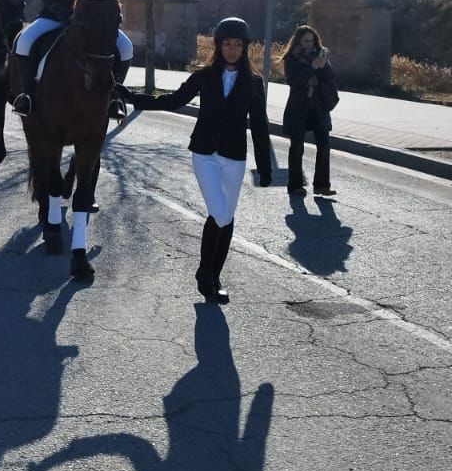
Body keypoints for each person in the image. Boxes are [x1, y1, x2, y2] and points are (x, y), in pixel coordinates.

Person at [125, 17, 272, 304]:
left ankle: (213, 276)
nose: (232, 49)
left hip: (234, 156)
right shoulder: (204, 76)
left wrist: (265, 169)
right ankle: (205, 273)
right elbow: (174, 100)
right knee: (219, 213)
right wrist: (135, 98)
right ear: (218, 46)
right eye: (227, 44)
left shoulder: (254, 83)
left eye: (237, 45)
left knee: (227, 218)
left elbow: (260, 126)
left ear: (245, 48)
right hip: (204, 153)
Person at [281, 24, 338, 198]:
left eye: (312, 40)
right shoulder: (291, 58)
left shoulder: (320, 55)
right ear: (298, 41)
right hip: (299, 108)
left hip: (318, 107)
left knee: (324, 146)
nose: (310, 44)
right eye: (306, 41)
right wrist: (312, 67)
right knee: (297, 148)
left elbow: (330, 79)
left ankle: (322, 185)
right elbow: (294, 81)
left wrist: (323, 66)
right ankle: (295, 185)